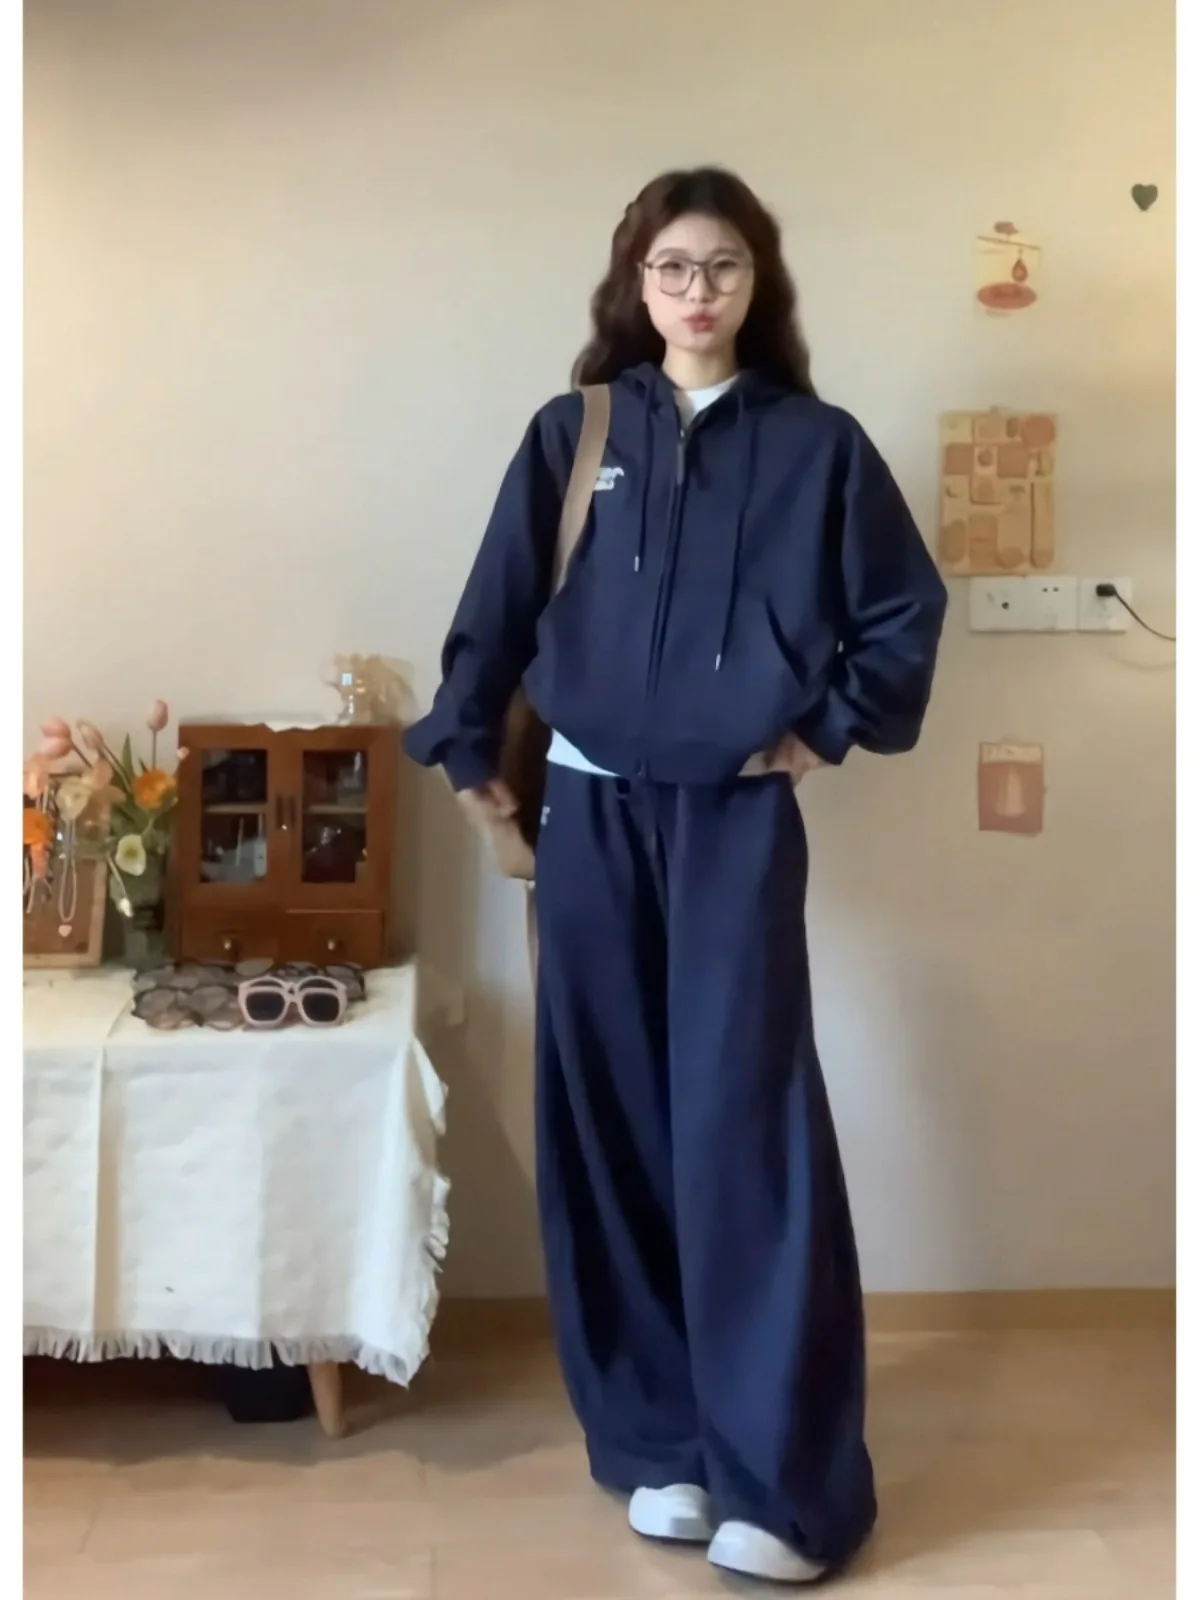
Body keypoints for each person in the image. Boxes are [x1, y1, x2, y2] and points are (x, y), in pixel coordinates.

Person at [405, 167, 947, 1585]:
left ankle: (785, 1485)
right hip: (588, 816)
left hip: (735, 823)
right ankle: (664, 1446)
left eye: (723, 266)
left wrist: (824, 729)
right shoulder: (574, 431)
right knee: (610, 1121)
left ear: (758, 283)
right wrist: (468, 751)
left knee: (743, 1127)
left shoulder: (818, 446)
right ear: (634, 285)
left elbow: (901, 611)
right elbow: (497, 607)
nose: (697, 291)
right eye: (672, 267)